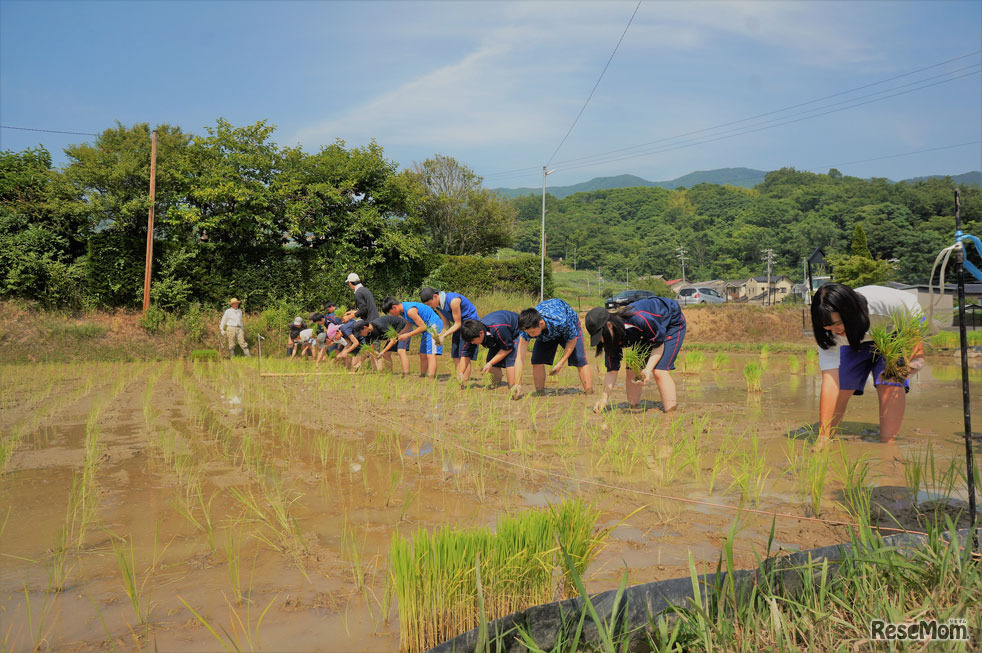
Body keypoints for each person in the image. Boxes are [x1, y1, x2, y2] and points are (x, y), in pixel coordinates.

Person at [811, 283, 926, 450]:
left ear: (850, 312)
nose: (834, 330)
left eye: (838, 323)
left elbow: (914, 315)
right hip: (854, 340)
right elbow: (830, 382)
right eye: (827, 326)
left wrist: (917, 356)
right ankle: (827, 436)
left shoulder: (884, 303)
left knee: (889, 383)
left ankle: (888, 448)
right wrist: (822, 436)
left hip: (890, 333)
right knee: (842, 385)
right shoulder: (829, 334)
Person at [585, 297, 685, 414]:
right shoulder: (609, 339)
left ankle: (671, 414)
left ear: (609, 325)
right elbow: (611, 371)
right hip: (646, 333)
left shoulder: (638, 319)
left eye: (600, 336)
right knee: (632, 369)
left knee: (659, 370)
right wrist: (603, 399)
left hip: (671, 321)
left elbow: (658, 344)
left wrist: (647, 370)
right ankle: (634, 408)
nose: (601, 341)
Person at [518, 299, 593, 394]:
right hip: (546, 332)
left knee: (579, 359)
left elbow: (572, 340)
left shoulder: (560, 320)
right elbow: (519, 357)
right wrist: (517, 384)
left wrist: (560, 364)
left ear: (541, 323)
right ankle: (540, 393)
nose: (531, 336)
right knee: (537, 360)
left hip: (569, 327)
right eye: (528, 333)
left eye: (532, 332)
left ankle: (589, 393)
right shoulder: (526, 326)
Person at [459, 311, 523, 396]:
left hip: (514, 332)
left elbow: (508, 349)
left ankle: (514, 389)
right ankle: (497, 386)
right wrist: (460, 373)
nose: (472, 343)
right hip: (497, 336)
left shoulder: (498, 328)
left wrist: (490, 363)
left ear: (481, 333)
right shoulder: (470, 334)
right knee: (492, 366)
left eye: (473, 341)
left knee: (510, 361)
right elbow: (465, 355)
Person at [381, 296, 445, 378]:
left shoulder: (410, 311)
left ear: (394, 307)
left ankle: (431, 378)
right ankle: (422, 376)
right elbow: (409, 324)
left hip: (434, 326)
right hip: (427, 328)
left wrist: (407, 335)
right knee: (422, 354)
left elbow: (422, 327)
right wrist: (399, 335)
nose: (391, 315)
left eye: (390, 312)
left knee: (431, 354)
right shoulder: (403, 312)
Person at [420, 287, 480, 370]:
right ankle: (459, 379)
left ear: (435, 296)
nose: (429, 306)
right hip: (458, 325)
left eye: (429, 304)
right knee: (455, 354)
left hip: (469, 325)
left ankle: (463, 382)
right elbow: (446, 325)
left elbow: (458, 323)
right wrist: (440, 336)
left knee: (464, 356)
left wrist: (443, 336)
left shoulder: (453, 301)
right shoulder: (437, 306)